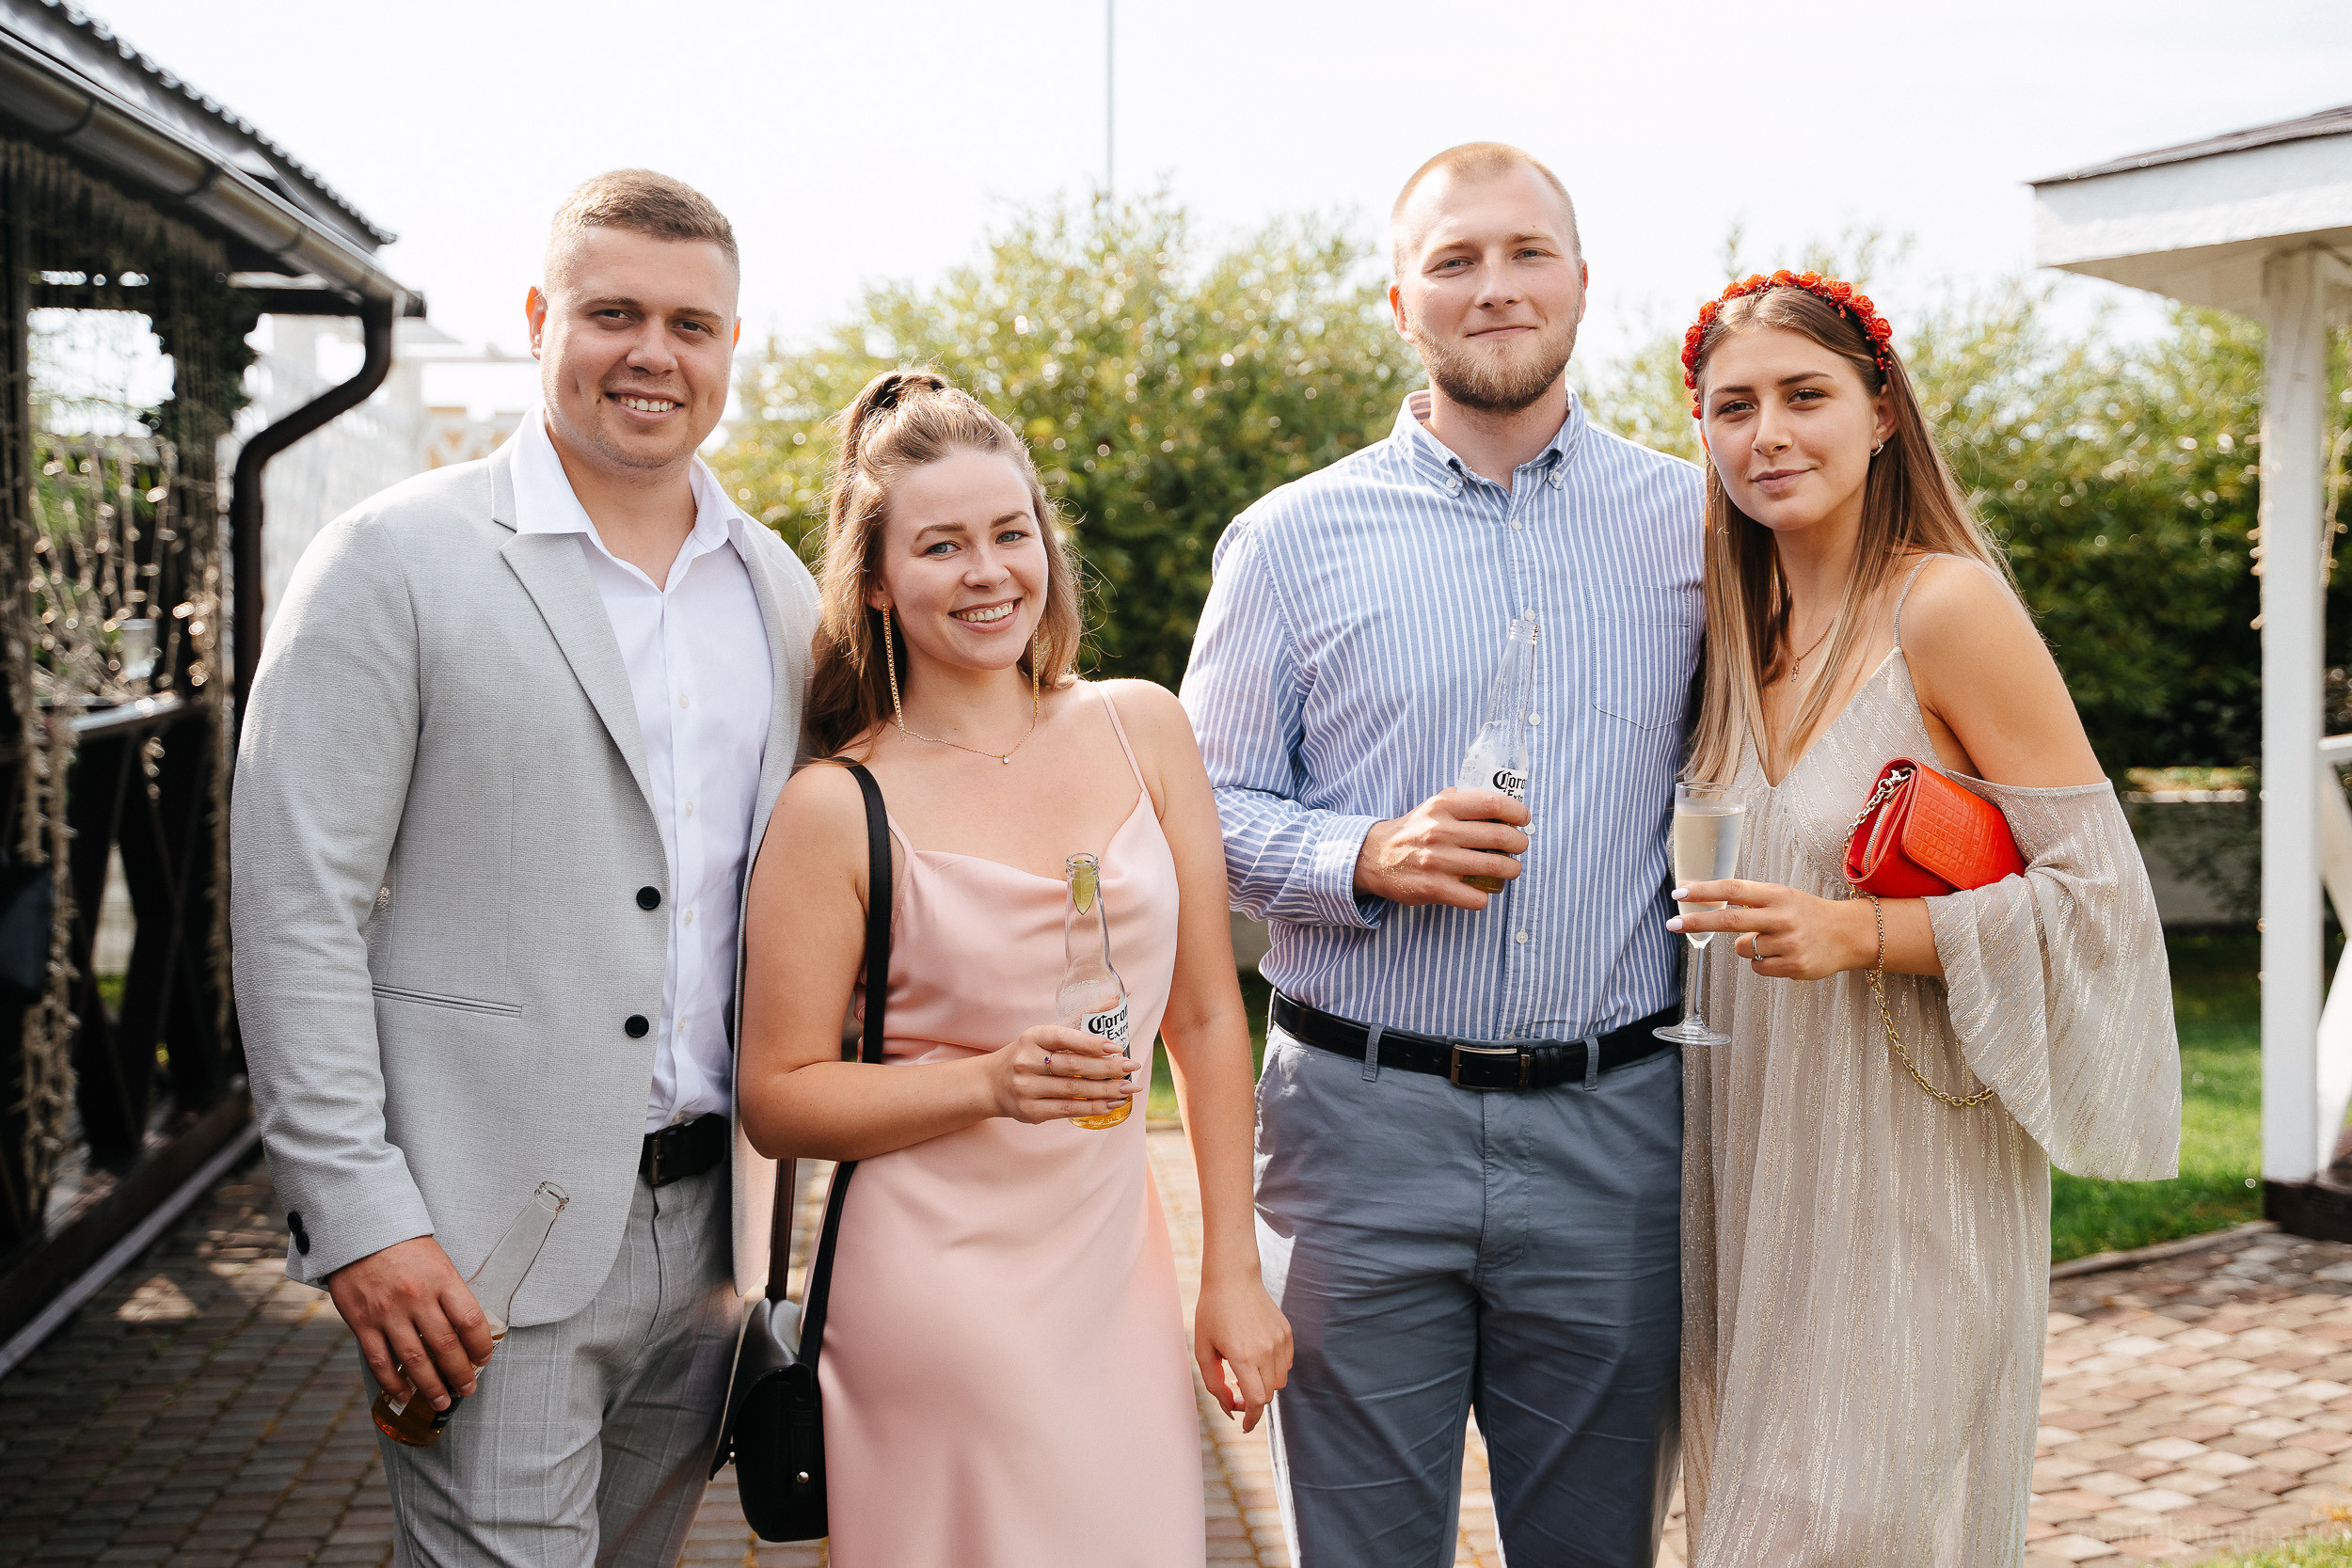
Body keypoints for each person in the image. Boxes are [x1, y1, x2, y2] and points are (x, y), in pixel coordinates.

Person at [231, 170, 818, 1563]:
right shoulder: (394, 558)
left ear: (735, 343)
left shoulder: (781, 589)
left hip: (714, 1246)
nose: (652, 353)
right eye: (613, 312)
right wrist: (361, 1219)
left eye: (692, 322)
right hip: (480, 1234)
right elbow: (293, 908)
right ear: (541, 317)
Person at [1181, 143, 1700, 1566]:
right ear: (1399, 298)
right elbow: (1201, 814)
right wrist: (1363, 851)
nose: (1495, 288)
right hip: (1358, 1129)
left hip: (1622, 1130)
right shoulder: (1287, 540)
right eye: (1456, 261)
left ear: (1583, 282)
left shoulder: (1695, 529)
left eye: (1527, 252)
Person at [1666, 270, 2182, 1566]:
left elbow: (2104, 903)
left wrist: (1869, 935)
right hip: (1747, 1158)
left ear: (1883, 410)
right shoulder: (1730, 631)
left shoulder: (1945, 607)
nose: (1768, 432)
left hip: (1906, 1165)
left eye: (1804, 394)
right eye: (1733, 406)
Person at [738, 369, 1290, 1567]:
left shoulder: (1143, 725)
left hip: (1116, 1288)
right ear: (877, 582)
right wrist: (985, 1082)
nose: (989, 572)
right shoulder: (838, 803)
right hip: (931, 1305)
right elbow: (778, 1097)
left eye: (1010, 532)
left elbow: (1203, 1018)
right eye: (941, 545)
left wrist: (1230, 1274)